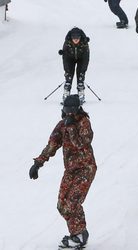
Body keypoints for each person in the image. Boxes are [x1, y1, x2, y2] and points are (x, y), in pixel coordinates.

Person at [29, 95, 97, 249]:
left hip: (86, 169)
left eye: (71, 112)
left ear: (77, 110)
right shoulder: (62, 125)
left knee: (72, 202)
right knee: (62, 205)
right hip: (71, 171)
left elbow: (82, 144)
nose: (68, 115)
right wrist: (38, 163)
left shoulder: (84, 123)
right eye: (66, 111)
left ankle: (79, 235)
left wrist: (72, 128)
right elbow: (52, 144)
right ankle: (79, 232)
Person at [58, 27, 90, 105]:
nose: (76, 40)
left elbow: (86, 59)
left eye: (77, 38)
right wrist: (67, 71)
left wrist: (83, 71)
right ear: (71, 37)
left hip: (81, 59)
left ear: (80, 37)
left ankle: (81, 96)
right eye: (74, 38)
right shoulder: (67, 43)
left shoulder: (84, 43)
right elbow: (65, 58)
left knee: (80, 78)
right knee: (68, 78)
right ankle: (66, 95)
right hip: (70, 58)